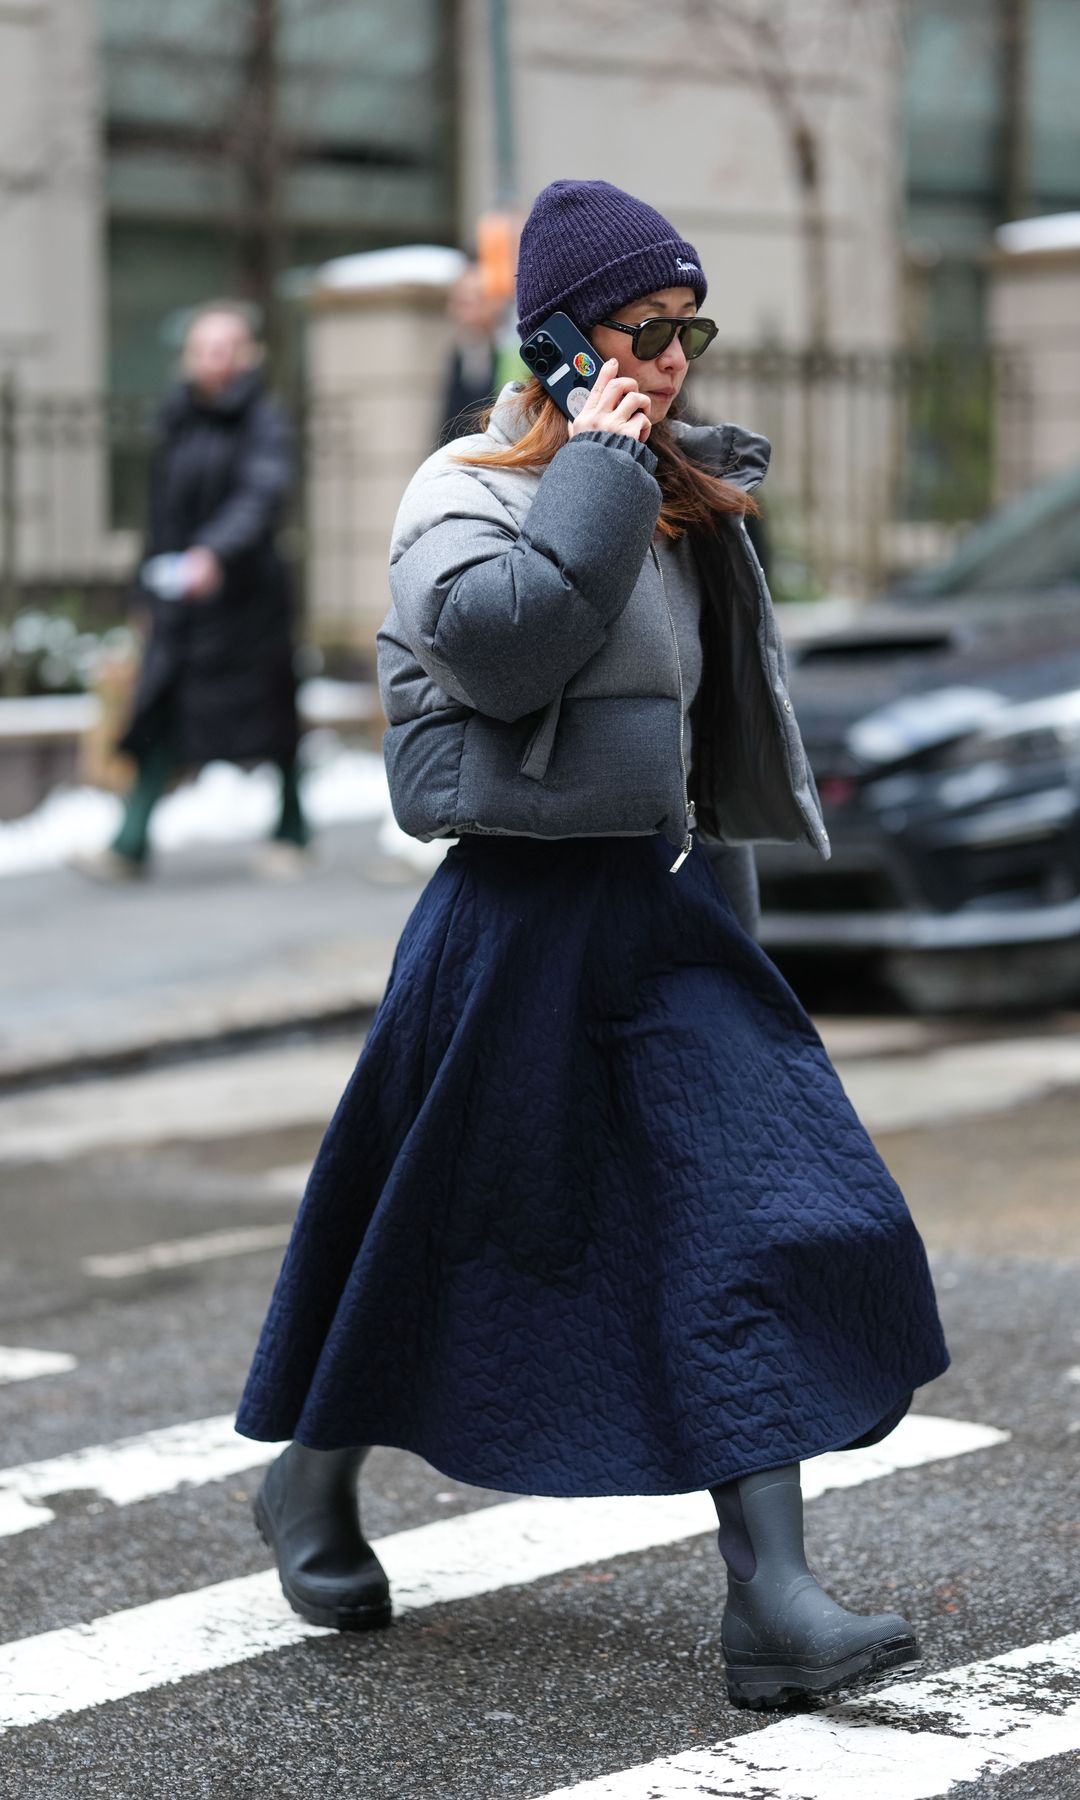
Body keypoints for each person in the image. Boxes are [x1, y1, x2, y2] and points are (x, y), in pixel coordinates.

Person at [236, 181, 948, 1711]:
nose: (675, 352)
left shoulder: (682, 499)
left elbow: (699, 747)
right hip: (509, 924)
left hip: (659, 918)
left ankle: (773, 1595)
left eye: (689, 325)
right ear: (558, 334)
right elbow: (501, 652)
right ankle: (309, 1480)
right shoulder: (465, 489)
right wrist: (609, 468)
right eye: (646, 325)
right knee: (437, 1226)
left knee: (745, 1209)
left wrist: (738, 935)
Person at [74, 301, 307, 882]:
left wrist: (215, 553)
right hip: (183, 599)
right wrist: (145, 589)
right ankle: (131, 840)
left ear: (249, 354)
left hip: (246, 600)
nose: (214, 361)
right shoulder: (178, 416)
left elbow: (262, 494)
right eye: (204, 349)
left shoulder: (264, 418)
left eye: (226, 348)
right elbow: (160, 514)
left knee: (271, 717)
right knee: (162, 704)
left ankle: (292, 827)